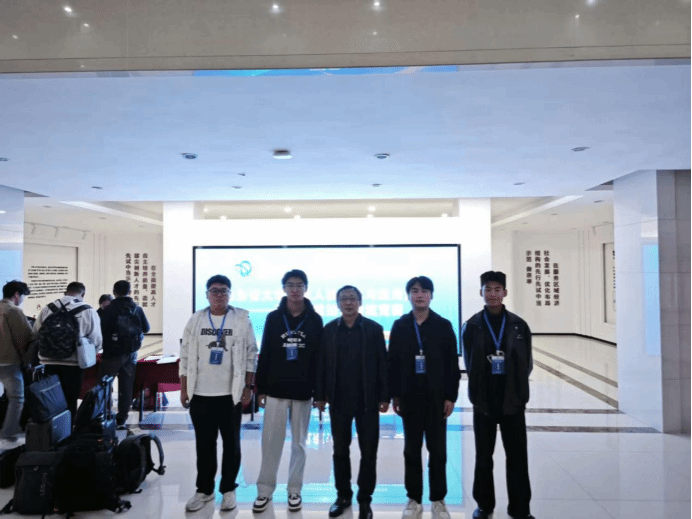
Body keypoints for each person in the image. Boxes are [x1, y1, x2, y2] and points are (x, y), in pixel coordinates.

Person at [180, 274, 258, 512]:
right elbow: (185, 356)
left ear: (230, 294)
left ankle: (228, 490)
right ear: (207, 294)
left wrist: (248, 387)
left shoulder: (241, 320)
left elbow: (251, 355)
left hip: (230, 395)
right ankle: (204, 490)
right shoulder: (196, 319)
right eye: (214, 290)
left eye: (223, 291)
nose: (219, 295)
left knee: (232, 445)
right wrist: (184, 388)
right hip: (200, 394)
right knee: (204, 445)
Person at [462, 271, 535, 519]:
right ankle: (484, 505)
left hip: (513, 400)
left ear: (505, 292)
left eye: (497, 289)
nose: (492, 294)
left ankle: (520, 508)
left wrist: (519, 392)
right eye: (488, 289)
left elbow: (527, 364)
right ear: (480, 292)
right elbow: (470, 364)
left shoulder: (518, 325)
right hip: (484, 402)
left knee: (517, 457)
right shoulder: (472, 326)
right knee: (484, 457)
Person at [388, 276, 460, 519]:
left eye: (424, 291)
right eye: (414, 291)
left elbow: (452, 364)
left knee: (437, 451)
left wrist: (450, 396)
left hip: (437, 398)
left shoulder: (443, 325)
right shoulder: (400, 326)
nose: (419, 295)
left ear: (431, 295)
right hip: (410, 398)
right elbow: (393, 363)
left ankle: (438, 500)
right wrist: (395, 395)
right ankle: (414, 499)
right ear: (408, 295)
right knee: (411, 451)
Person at [315, 285, 389, 519]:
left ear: (360, 302)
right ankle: (343, 495)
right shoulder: (329, 330)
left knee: (369, 452)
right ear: (338, 303)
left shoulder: (373, 329)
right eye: (344, 299)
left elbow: (383, 364)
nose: (348, 302)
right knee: (340, 451)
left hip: (367, 401)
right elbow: (321, 365)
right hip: (339, 400)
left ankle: (365, 499)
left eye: (353, 298)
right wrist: (320, 395)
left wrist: (384, 396)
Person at [253, 269, 323, 513]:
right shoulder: (274, 318)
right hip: (275, 389)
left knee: (299, 444)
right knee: (270, 443)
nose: (295, 289)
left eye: (299, 285)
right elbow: (266, 353)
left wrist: (319, 392)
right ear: (284, 288)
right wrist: (261, 388)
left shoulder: (315, 319)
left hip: (303, 390)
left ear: (306, 288)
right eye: (290, 285)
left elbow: (319, 358)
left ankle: (295, 490)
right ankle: (264, 490)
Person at [34, 281, 102, 418]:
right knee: (70, 398)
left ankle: (53, 428)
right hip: (74, 363)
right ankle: (68, 428)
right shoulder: (88, 310)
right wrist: (89, 355)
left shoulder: (47, 309)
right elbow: (97, 340)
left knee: (52, 399)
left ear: (65, 292)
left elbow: (36, 333)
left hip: (49, 362)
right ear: (83, 294)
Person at [99, 280, 150, 429]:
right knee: (126, 387)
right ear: (130, 292)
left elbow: (101, 330)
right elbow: (146, 328)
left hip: (111, 353)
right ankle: (122, 418)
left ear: (114, 292)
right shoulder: (137, 308)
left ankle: (104, 415)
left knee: (104, 384)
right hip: (131, 353)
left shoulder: (108, 309)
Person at [0, 280, 34, 448]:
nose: (22, 300)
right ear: (16, 295)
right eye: (23, 296)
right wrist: (27, 362)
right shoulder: (13, 311)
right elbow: (25, 339)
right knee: (16, 397)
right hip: (8, 361)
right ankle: (9, 433)